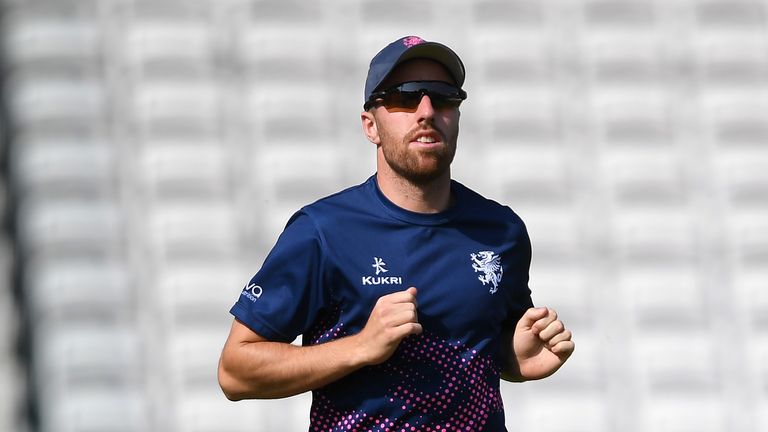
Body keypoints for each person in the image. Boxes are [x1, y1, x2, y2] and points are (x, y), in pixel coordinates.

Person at [218, 35, 575, 431]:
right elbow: (236, 371)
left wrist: (514, 357)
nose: (426, 110)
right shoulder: (322, 231)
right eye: (405, 97)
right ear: (370, 125)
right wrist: (361, 347)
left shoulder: (501, 231)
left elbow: (493, 350)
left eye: (443, 97)